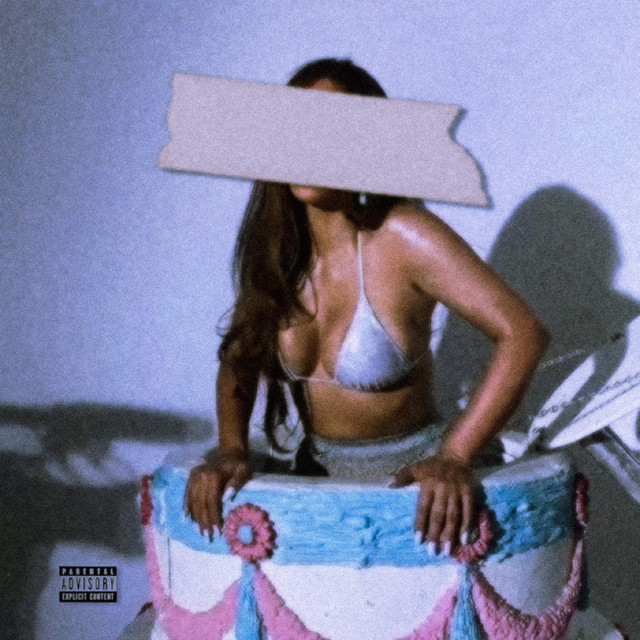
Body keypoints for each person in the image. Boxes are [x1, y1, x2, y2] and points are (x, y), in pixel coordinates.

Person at [185, 58, 548, 554]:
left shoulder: (401, 236)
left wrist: (456, 456)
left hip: (418, 495)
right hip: (316, 485)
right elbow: (239, 357)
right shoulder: (278, 251)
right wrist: (232, 448)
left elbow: (522, 333)